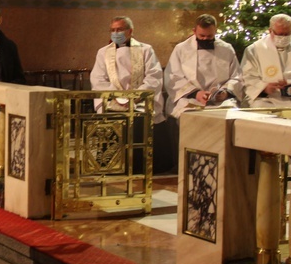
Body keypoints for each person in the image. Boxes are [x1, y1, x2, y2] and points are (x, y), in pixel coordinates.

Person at [89, 16, 171, 173]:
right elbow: (98, 79)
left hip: (140, 99)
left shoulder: (145, 50)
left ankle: (144, 167)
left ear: (130, 31)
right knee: (113, 120)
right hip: (113, 100)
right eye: (112, 30)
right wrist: (117, 98)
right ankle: (113, 165)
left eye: (119, 30)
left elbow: (154, 75)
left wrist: (137, 95)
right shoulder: (103, 53)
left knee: (142, 119)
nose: (115, 33)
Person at [164, 14, 243, 118]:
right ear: (194, 31)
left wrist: (225, 92)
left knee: (231, 114)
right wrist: (196, 93)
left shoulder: (226, 49)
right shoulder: (181, 49)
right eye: (202, 36)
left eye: (209, 36)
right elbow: (173, 77)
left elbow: (236, 77)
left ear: (215, 31)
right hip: (190, 98)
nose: (205, 39)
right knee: (189, 116)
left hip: (220, 101)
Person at [240, 14, 291, 113]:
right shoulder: (254, 49)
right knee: (261, 109)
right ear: (270, 31)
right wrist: (264, 88)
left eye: (287, 34)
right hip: (268, 99)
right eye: (280, 34)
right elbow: (247, 76)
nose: (283, 38)